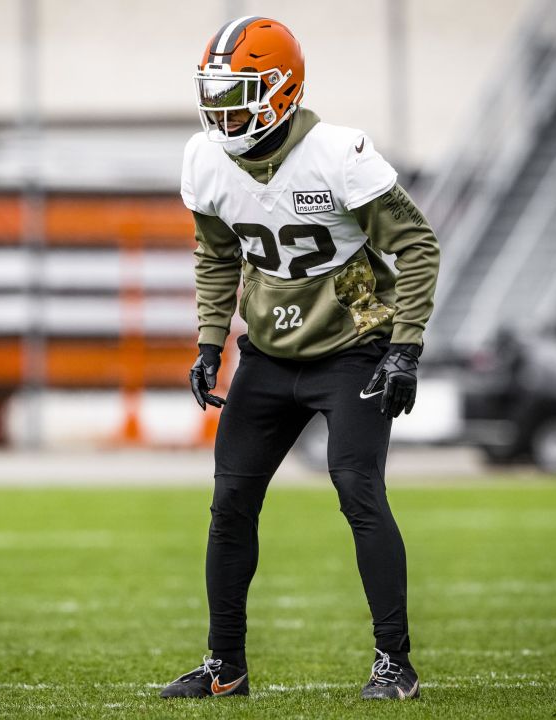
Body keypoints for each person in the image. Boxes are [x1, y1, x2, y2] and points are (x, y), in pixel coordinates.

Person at [157, 16, 441, 702]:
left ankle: (394, 664)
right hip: (269, 355)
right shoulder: (204, 159)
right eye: (217, 96)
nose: (224, 112)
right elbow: (218, 256)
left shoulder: (338, 153)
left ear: (282, 90)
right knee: (229, 505)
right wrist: (208, 341)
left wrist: (404, 348)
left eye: (239, 94)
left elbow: (418, 246)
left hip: (352, 353)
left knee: (357, 491)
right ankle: (225, 666)